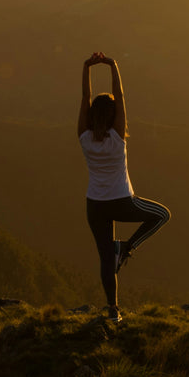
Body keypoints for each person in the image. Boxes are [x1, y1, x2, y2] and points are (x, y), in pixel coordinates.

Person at [78, 52, 170, 324]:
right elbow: (121, 95)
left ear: (93, 114)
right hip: (121, 200)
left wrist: (87, 68)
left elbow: (85, 98)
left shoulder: (83, 138)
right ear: (114, 114)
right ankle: (127, 248)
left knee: (106, 260)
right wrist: (112, 65)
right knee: (162, 215)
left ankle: (113, 310)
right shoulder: (118, 138)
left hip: (94, 205)